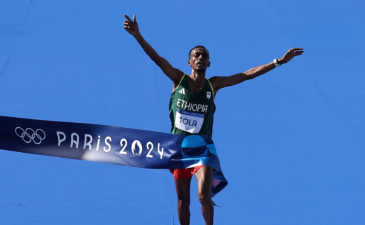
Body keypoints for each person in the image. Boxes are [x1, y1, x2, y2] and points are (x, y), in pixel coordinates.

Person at [123, 14, 303, 225]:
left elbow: (248, 74)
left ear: (209, 62)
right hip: (178, 149)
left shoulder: (213, 85)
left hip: (204, 148)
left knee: (203, 196)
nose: (200, 58)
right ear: (189, 61)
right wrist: (137, 35)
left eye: (204, 56)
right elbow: (157, 59)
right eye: (196, 55)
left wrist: (278, 61)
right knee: (183, 202)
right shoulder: (178, 79)